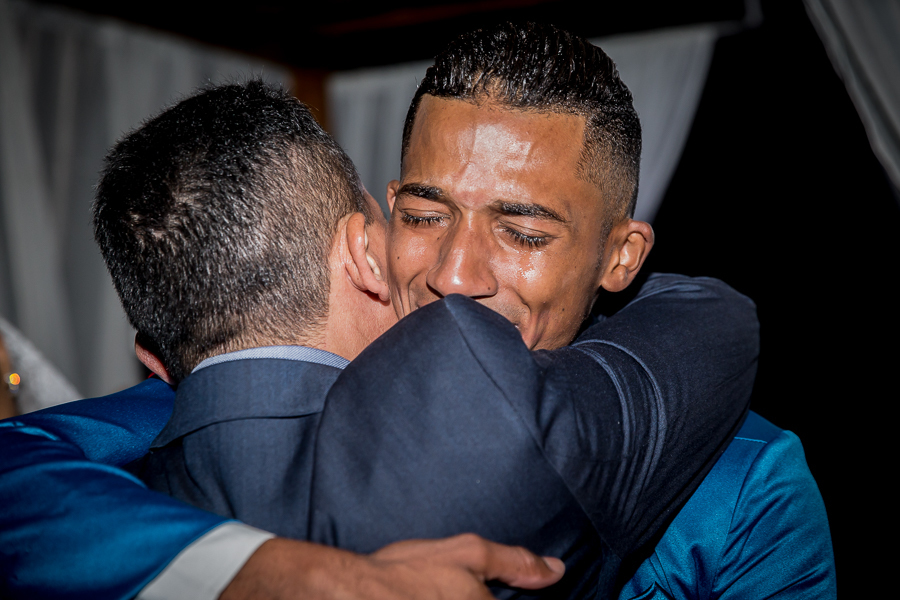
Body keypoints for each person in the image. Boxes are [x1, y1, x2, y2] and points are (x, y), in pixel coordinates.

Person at [1, 22, 828, 599]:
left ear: (621, 258)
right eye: (427, 217)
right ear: (385, 213)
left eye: (523, 232)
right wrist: (281, 577)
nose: (456, 277)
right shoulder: (272, 383)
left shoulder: (747, 478)